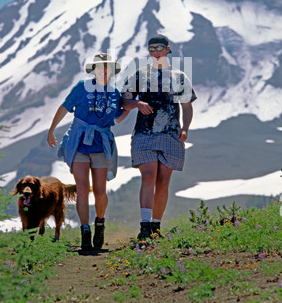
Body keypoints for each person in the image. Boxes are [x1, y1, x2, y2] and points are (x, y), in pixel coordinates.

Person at [47, 53, 128, 253]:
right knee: (82, 189)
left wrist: (131, 106)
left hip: (101, 144)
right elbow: (64, 107)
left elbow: (117, 118)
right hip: (78, 143)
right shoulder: (81, 87)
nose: (104, 70)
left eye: (107, 67)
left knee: (100, 191)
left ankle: (99, 223)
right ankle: (85, 231)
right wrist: (51, 129)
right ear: (94, 69)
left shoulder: (115, 92)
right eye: (100, 67)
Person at [122, 35, 197, 240]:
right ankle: (144, 225)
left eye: (159, 48)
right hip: (144, 134)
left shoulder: (179, 76)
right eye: (152, 48)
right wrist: (137, 104)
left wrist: (185, 128)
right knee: (148, 177)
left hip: (171, 134)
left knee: (163, 181)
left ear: (167, 49)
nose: (155, 52)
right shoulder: (139, 75)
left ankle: (156, 226)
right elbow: (124, 101)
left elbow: (187, 105)